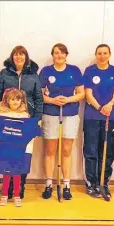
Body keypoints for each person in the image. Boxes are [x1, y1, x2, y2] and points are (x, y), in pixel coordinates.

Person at [0, 45, 43, 199]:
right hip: (7, 120)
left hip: (26, 120)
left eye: (22, 55)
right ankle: (8, 188)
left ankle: (20, 187)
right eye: (16, 55)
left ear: (26, 57)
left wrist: (37, 118)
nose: (19, 57)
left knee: (23, 154)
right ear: (12, 57)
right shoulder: (4, 74)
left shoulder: (33, 75)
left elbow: (39, 98)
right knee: (9, 154)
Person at [39, 43, 85, 200]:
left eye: (62, 53)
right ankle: (49, 184)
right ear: (52, 55)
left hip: (70, 114)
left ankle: (66, 184)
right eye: (56, 53)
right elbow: (40, 96)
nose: (59, 56)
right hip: (51, 114)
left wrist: (67, 100)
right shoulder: (46, 71)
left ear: (66, 55)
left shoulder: (74, 70)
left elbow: (81, 94)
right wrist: (52, 100)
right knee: (50, 150)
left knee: (66, 150)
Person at [83, 44, 114, 199]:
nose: (102, 56)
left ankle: (103, 182)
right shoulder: (90, 71)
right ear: (96, 55)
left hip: (109, 117)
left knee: (107, 152)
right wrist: (100, 107)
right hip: (92, 117)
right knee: (91, 151)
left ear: (109, 54)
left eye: (105, 53)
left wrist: (110, 105)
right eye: (99, 53)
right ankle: (91, 183)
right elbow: (88, 94)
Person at [0, 88, 36, 207]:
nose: (15, 102)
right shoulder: (1, 115)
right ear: (7, 101)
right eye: (12, 99)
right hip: (6, 150)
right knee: (6, 174)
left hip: (18, 151)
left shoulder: (25, 115)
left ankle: (17, 195)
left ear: (22, 101)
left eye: (18, 99)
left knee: (17, 174)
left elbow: (28, 133)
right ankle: (4, 195)